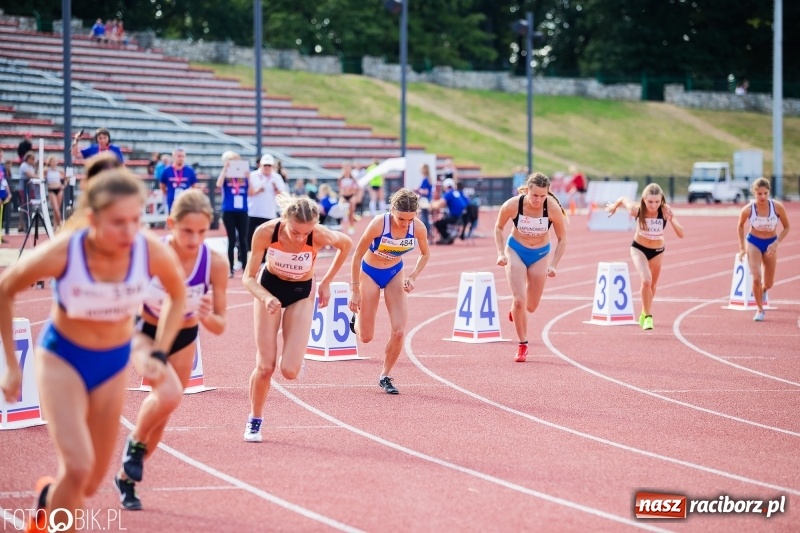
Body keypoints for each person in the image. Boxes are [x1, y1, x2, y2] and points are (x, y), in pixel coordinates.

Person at [0, 168, 186, 532]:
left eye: (136, 219)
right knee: (79, 466)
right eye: (118, 222)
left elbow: (178, 295)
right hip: (63, 360)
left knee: (90, 481)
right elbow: (6, 288)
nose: (129, 231)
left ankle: (48, 500)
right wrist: (10, 363)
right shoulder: (67, 250)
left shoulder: (147, 249)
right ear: (93, 218)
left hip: (112, 364)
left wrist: (159, 353)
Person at [115, 189, 229, 510]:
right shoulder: (150, 252)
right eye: (187, 231)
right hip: (145, 332)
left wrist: (208, 315)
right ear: (171, 224)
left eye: (202, 231)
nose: (194, 240)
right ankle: (134, 445)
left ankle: (126, 478)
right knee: (167, 395)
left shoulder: (214, 263)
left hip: (185, 337)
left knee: (162, 417)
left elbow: (221, 325)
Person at [242, 195, 352, 442]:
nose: (301, 238)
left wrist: (326, 282)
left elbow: (346, 244)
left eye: (306, 233)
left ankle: (296, 356)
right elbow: (247, 278)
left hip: (301, 294)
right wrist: (265, 297)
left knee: (290, 371)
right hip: (268, 290)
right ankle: (254, 420)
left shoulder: (320, 234)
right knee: (265, 366)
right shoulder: (265, 232)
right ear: (284, 219)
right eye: (295, 232)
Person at [349, 189, 430, 394]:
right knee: (366, 337)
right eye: (401, 218)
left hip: (395, 273)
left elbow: (425, 254)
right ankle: (355, 319)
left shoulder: (418, 228)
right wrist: (355, 290)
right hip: (369, 273)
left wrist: (412, 276)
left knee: (400, 330)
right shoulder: (379, 223)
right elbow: (357, 256)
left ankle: (385, 375)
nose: (404, 224)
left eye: (409, 220)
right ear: (392, 210)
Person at [494, 172, 568, 362]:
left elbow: (562, 239)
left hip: (540, 254)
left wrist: (553, 265)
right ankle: (522, 344)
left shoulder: (552, 208)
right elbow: (498, 227)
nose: (538, 200)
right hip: (516, 250)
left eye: (543, 196)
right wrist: (501, 253)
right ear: (527, 190)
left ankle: (516, 311)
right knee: (519, 300)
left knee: (531, 306)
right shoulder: (513, 205)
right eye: (534, 195)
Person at [606, 183, 684, 330]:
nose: (653, 206)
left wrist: (672, 219)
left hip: (657, 251)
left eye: (656, 202)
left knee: (653, 286)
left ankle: (644, 311)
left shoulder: (664, 211)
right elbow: (623, 199)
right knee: (646, 281)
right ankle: (648, 317)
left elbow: (681, 234)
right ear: (643, 200)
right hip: (639, 249)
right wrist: (614, 206)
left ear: (661, 200)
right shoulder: (636, 210)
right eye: (650, 202)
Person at [736, 177, 790, 321]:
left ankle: (764, 289)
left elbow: (787, 227)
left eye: (765, 193)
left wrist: (777, 242)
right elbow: (740, 226)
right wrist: (742, 248)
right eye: (759, 194)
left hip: (771, 243)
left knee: (769, 282)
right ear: (754, 193)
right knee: (756, 277)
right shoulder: (748, 210)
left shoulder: (777, 207)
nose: (763, 197)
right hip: (753, 242)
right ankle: (760, 309)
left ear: (769, 192)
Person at [216, 152, 249, 277]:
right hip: (228, 211)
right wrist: (225, 169)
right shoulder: (226, 177)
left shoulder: (244, 178)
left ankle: (246, 268)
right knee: (231, 240)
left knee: (243, 240)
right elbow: (218, 184)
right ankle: (230, 269)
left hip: (242, 212)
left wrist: (249, 177)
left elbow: (251, 192)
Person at [160, 147, 197, 214]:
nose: (181, 158)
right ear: (173, 156)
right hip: (172, 201)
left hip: (186, 201)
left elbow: (194, 186)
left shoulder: (190, 170)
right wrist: (168, 194)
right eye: (179, 156)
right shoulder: (167, 170)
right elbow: (162, 185)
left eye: (183, 156)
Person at [431, 178, 468, 244]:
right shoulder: (456, 192)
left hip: (456, 217)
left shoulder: (449, 193)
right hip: (462, 217)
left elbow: (441, 203)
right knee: (443, 219)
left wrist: (431, 206)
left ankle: (447, 237)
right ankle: (447, 237)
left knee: (438, 223)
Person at [338, 163, 359, 235]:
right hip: (344, 196)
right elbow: (340, 189)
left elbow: (356, 189)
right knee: (340, 206)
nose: (347, 170)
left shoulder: (353, 179)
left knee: (352, 209)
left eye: (348, 168)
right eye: (345, 168)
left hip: (351, 196)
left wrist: (352, 192)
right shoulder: (341, 178)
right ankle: (341, 223)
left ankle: (351, 226)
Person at [44, 156, 66, 228]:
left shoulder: (60, 170)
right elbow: (42, 177)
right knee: (55, 208)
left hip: (59, 189)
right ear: (50, 162)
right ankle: (60, 222)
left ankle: (55, 225)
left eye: (55, 161)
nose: (54, 163)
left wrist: (63, 185)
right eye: (52, 162)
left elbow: (67, 178)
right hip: (51, 190)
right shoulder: (47, 170)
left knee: (57, 209)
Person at [416, 164, 433, 233]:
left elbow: (426, 192)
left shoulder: (425, 179)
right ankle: (427, 231)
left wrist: (418, 189)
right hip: (427, 199)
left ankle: (426, 232)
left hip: (425, 200)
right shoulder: (428, 179)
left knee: (424, 217)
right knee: (425, 216)